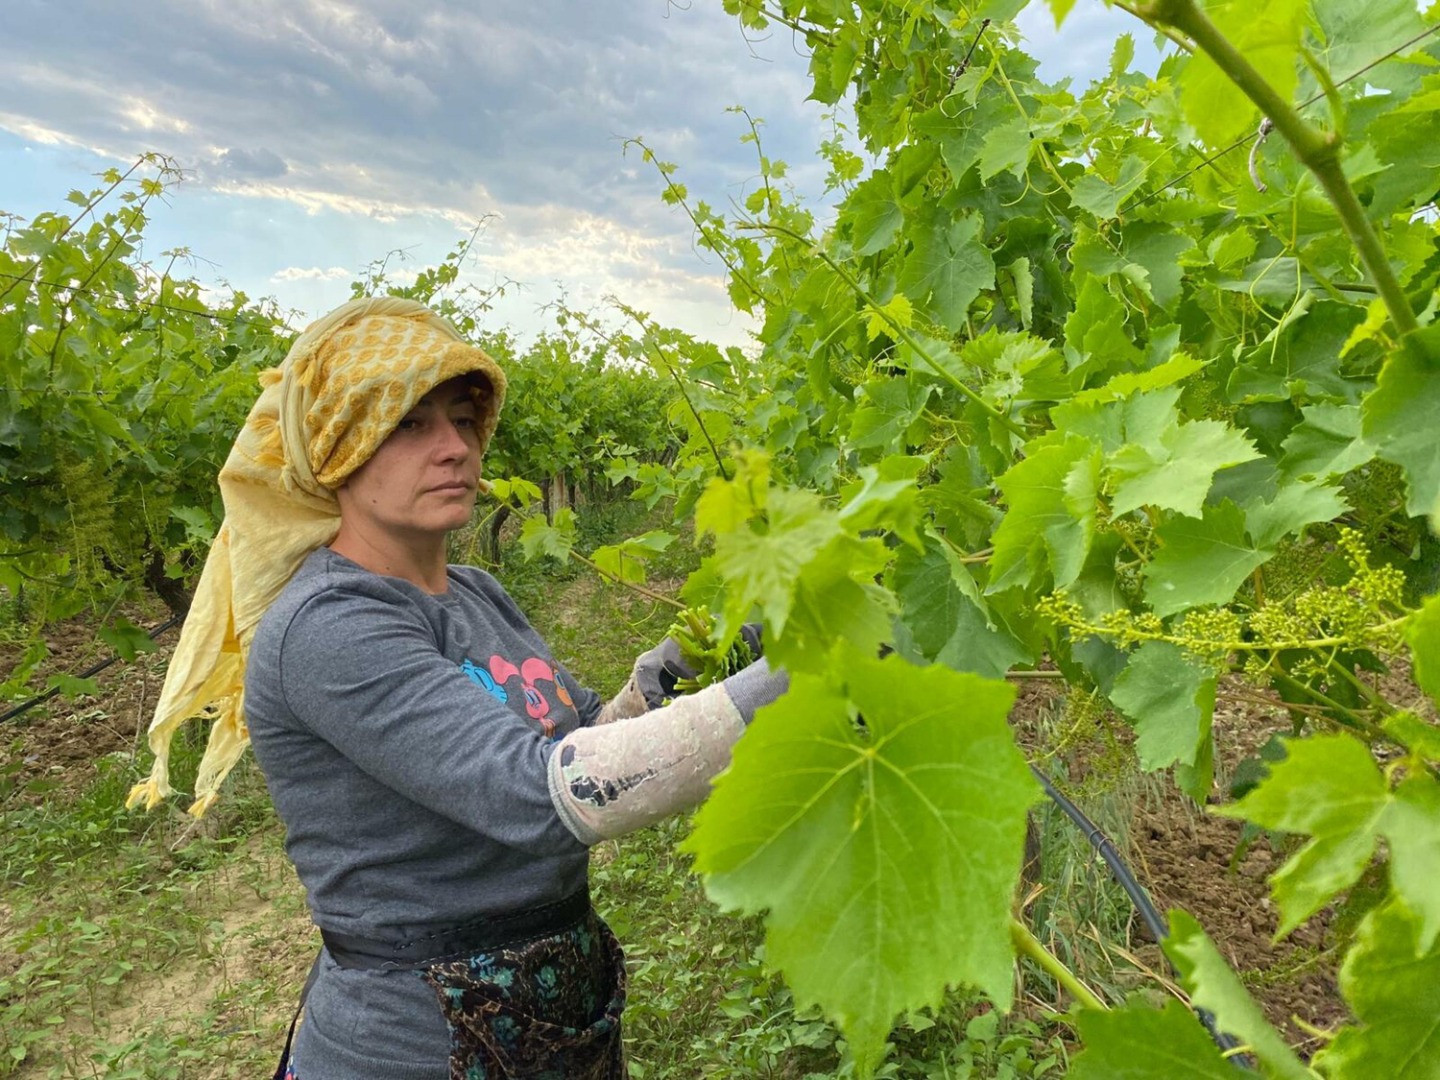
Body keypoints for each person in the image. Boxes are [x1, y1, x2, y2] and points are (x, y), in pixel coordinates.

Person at [126, 297, 787, 1080]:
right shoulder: (326, 626)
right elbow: (541, 798)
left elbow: (578, 740)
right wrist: (799, 683)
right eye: (411, 423)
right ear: (338, 447)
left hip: (555, 1021)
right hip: (415, 1046)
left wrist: (675, 668)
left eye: (464, 420)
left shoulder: (475, 594)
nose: (455, 448)